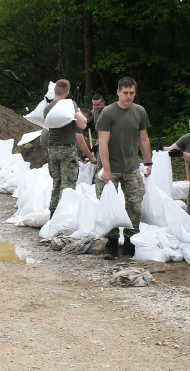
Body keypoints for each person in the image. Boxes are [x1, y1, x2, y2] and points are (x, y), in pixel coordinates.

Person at [95, 77, 151, 260]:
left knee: (135, 205)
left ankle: (130, 241)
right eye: (125, 92)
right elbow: (103, 142)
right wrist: (107, 169)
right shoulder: (108, 113)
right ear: (118, 92)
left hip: (132, 167)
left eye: (132, 93)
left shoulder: (139, 111)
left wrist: (148, 162)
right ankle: (112, 243)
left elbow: (143, 138)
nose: (128, 96)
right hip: (110, 166)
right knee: (108, 206)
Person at [42, 80, 93, 214]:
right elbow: (82, 124)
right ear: (68, 92)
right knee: (68, 185)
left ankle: (53, 214)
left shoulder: (48, 107)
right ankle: (64, 216)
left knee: (56, 184)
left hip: (52, 149)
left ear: (54, 91)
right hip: (67, 150)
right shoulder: (71, 105)